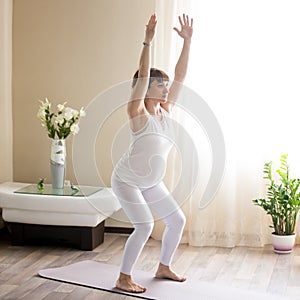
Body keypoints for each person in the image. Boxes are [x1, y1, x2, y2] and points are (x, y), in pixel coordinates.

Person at [111, 13, 193, 293]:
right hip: (127, 181)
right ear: (145, 89)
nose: (167, 88)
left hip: (151, 182)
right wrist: (147, 42)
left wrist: (187, 42)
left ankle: (163, 266)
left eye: (165, 85)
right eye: (161, 85)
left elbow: (181, 76)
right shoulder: (138, 113)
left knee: (176, 220)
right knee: (144, 224)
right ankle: (123, 277)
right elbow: (143, 75)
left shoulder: (165, 112)